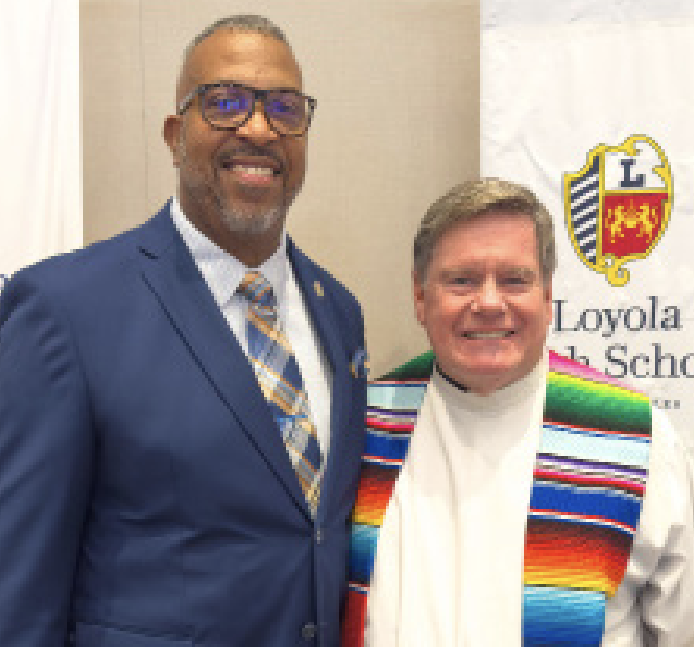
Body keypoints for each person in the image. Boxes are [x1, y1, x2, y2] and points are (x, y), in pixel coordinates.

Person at [0, 15, 367, 646]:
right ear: (175, 136)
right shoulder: (62, 309)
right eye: (225, 103)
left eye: (284, 108)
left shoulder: (339, 311)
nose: (258, 128)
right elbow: (20, 584)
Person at [342, 179, 694, 646]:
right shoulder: (363, 424)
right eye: (462, 279)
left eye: (514, 280)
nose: (489, 303)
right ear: (421, 297)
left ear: (548, 298)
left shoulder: (635, 436)